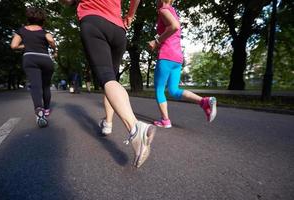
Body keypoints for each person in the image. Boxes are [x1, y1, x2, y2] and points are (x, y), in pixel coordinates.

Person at [59, 0, 156, 168]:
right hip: (118, 29)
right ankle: (108, 123)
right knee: (111, 81)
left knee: (107, 78)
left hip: (93, 21)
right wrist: (130, 15)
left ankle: (135, 128)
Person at [148, 0, 217, 128]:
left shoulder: (163, 10)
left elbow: (174, 27)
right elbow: (173, 30)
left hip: (167, 55)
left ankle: (165, 120)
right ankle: (204, 101)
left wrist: (156, 41)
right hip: (177, 56)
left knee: (159, 89)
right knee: (174, 90)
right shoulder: (173, 11)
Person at [11, 7, 57, 128]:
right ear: (42, 20)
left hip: (30, 58)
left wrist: (25, 45)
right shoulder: (45, 32)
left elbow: (14, 45)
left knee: (35, 86)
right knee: (46, 86)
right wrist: (54, 49)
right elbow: (51, 41)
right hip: (45, 59)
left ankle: (39, 111)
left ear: (29, 18)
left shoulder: (21, 30)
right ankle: (47, 110)